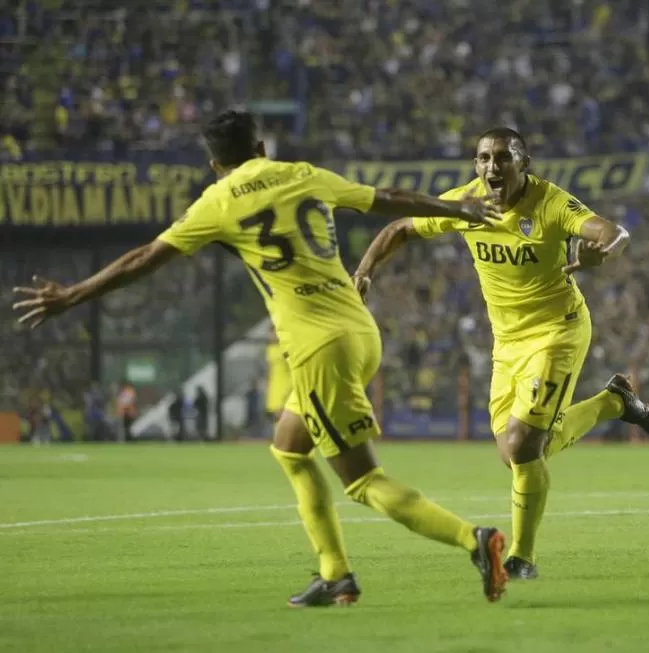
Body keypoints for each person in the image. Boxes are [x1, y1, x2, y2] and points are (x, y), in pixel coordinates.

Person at [13, 110, 509, 606]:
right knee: (290, 446)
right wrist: (460, 209)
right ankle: (335, 573)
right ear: (261, 148)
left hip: (319, 349)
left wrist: (72, 295)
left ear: (214, 163)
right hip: (359, 331)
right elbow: (387, 200)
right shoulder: (303, 174)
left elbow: (143, 259)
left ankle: (474, 540)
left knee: (361, 480)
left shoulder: (218, 200)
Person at [354, 128, 649, 580]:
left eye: (502, 158)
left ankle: (522, 557)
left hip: (558, 331)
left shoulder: (551, 202)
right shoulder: (466, 203)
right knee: (513, 451)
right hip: (507, 342)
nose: (492, 168)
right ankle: (613, 402)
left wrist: (602, 253)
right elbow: (401, 227)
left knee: (521, 445)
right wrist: (364, 272)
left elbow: (614, 232)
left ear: (524, 163)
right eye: (483, 158)